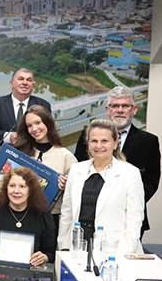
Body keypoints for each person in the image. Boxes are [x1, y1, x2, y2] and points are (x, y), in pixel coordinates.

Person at [74, 86, 160, 238]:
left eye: (125, 106)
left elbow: (151, 181)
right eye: (115, 106)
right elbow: (79, 172)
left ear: (134, 109)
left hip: (128, 217)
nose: (120, 110)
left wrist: (123, 203)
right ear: (108, 109)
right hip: (88, 214)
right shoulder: (87, 136)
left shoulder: (148, 141)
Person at [59, 119, 145, 255]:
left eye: (105, 141)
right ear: (87, 143)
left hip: (115, 250)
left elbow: (134, 220)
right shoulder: (76, 170)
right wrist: (64, 246)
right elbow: (66, 213)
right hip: (78, 247)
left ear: (116, 143)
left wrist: (123, 254)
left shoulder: (130, 173)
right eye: (94, 141)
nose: (99, 146)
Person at [13, 105, 77, 227]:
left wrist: (67, 186)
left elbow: (77, 193)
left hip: (52, 219)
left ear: (47, 122)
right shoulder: (20, 153)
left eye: (38, 123)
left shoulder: (66, 156)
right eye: (29, 126)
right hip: (21, 216)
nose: (34, 129)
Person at [0, 68, 51, 145]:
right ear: (11, 84)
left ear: (33, 85)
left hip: (35, 150)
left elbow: (49, 130)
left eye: (29, 80)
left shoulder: (43, 105)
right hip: (4, 150)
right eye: (21, 79)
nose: (25, 83)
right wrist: (9, 137)